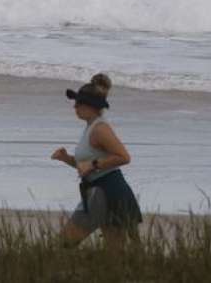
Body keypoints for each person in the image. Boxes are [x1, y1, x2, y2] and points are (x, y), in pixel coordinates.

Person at [50, 73, 142, 247]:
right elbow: (87, 167)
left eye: (78, 103)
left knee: (62, 244)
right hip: (97, 190)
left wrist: (92, 164)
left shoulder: (100, 129)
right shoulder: (90, 127)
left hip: (108, 192)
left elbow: (124, 157)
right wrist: (66, 159)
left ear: (90, 106)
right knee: (116, 256)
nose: (74, 107)